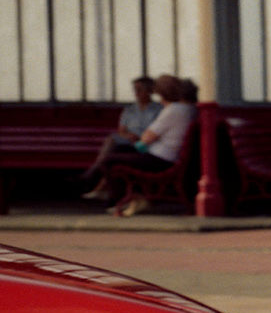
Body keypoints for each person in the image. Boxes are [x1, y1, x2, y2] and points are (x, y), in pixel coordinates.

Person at [97, 75, 197, 217]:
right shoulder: (190, 110)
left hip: (159, 159)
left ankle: (125, 199)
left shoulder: (173, 110)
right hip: (169, 156)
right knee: (120, 150)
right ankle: (132, 196)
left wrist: (141, 141)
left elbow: (146, 138)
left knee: (109, 161)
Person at [80, 75, 160, 200]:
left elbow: (157, 131)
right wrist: (129, 136)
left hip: (145, 146)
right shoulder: (130, 109)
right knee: (113, 143)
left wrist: (139, 137)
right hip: (128, 143)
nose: (136, 93)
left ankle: (93, 177)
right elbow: (121, 130)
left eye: (140, 89)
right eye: (135, 90)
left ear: (149, 91)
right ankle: (100, 184)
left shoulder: (158, 109)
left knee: (112, 149)